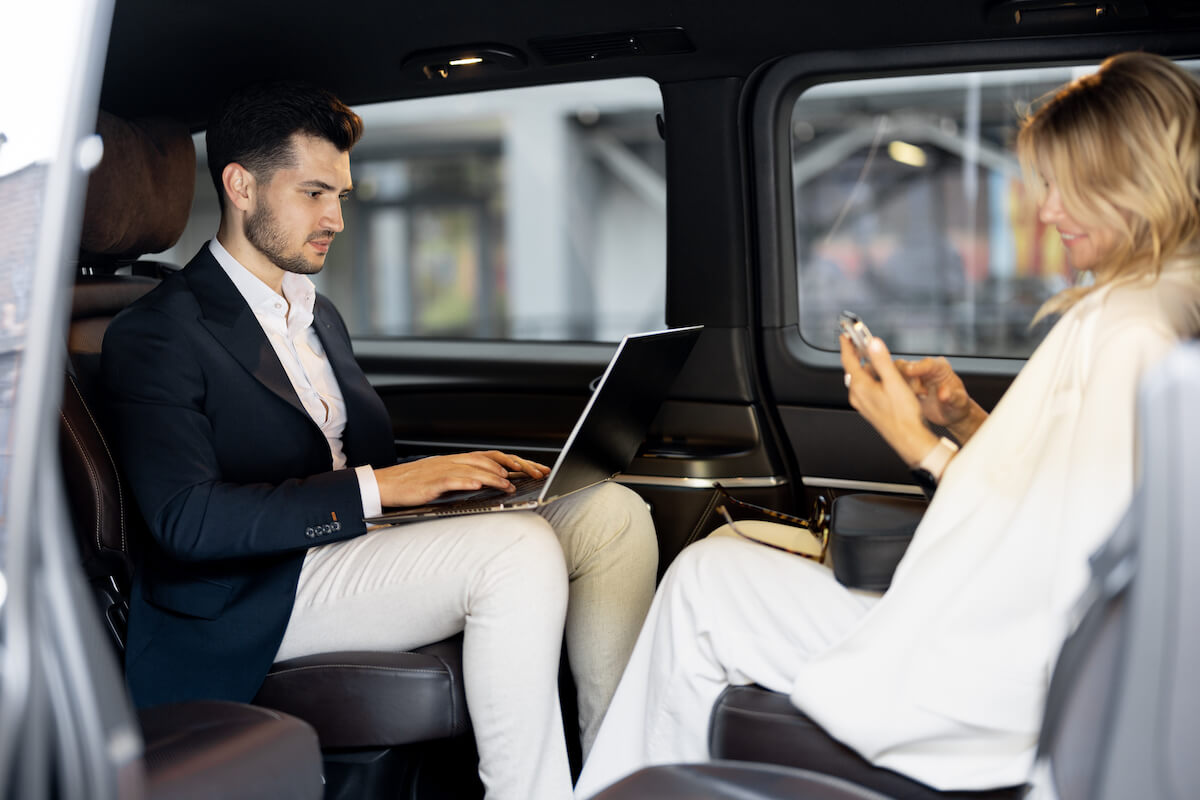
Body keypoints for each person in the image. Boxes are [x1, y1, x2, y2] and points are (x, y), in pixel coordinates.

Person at [574, 51, 1200, 797]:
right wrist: (963, 419)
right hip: (993, 632)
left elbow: (1058, 557)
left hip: (991, 673)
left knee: (703, 587)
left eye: (1069, 187)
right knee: (716, 566)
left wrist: (917, 443)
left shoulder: (1132, 333)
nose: (1048, 212)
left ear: (1133, 183)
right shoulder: (1148, 304)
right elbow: (1057, 489)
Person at [101, 82, 658, 800]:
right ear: (241, 187)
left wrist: (448, 482)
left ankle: (618, 783)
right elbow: (188, 521)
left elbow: (346, 455)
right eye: (313, 194)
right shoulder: (155, 333)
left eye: (340, 195)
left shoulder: (316, 313)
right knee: (516, 552)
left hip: (352, 540)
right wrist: (380, 487)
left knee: (612, 514)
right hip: (255, 586)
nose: (336, 218)